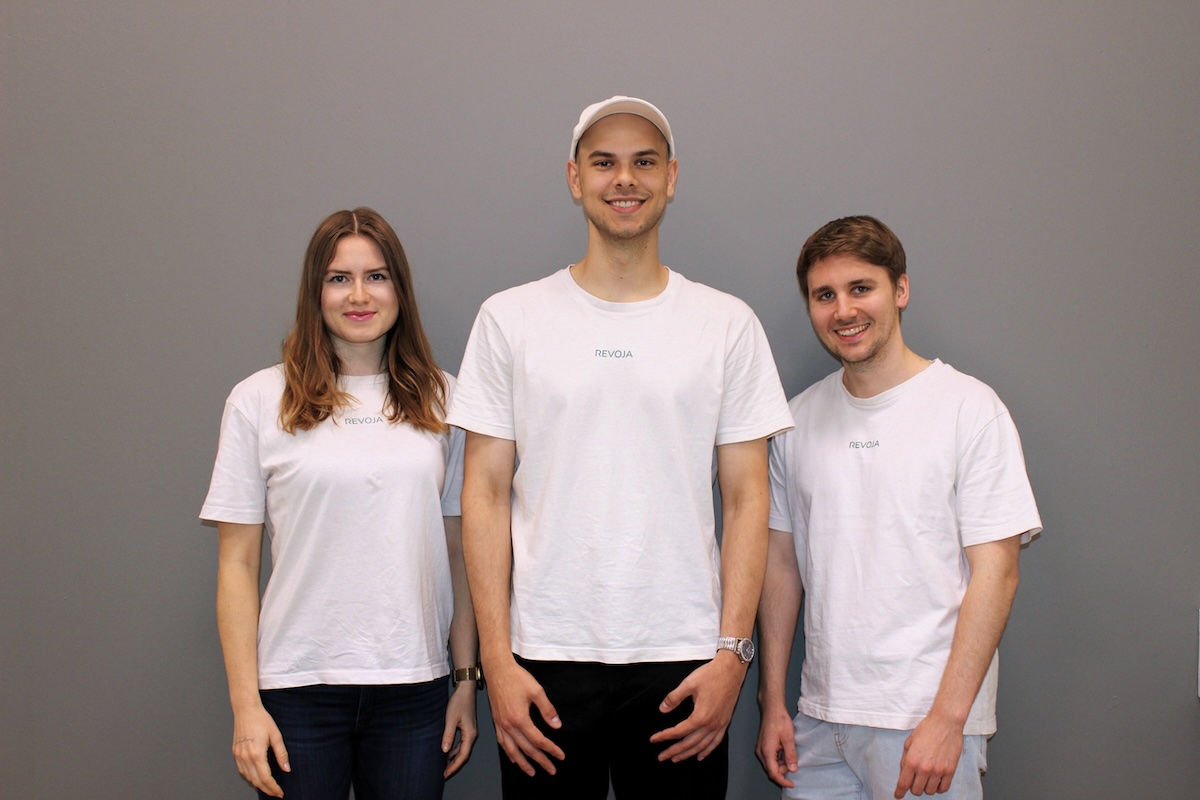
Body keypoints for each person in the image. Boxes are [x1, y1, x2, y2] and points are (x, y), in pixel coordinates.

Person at [447, 96, 793, 799]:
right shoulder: (509, 318)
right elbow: (481, 493)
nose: (625, 179)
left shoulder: (726, 323)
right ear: (575, 178)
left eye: (644, 162)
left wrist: (733, 657)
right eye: (604, 162)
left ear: (672, 177)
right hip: (541, 658)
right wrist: (497, 660)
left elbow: (748, 498)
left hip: (685, 660)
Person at [755, 215, 1042, 799]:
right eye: (824, 295)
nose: (843, 311)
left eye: (861, 288)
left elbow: (997, 573)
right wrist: (773, 701)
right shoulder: (796, 421)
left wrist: (949, 720)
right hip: (817, 723)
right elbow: (780, 566)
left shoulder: (969, 408)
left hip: (925, 726)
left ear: (900, 290)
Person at [201, 208, 478, 800]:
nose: (358, 295)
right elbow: (237, 565)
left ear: (399, 289)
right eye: (338, 278)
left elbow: (459, 553)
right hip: (296, 691)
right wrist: (245, 706)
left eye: (376, 276)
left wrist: (463, 679)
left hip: (415, 690)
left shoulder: (444, 400)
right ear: (315, 291)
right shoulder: (258, 400)